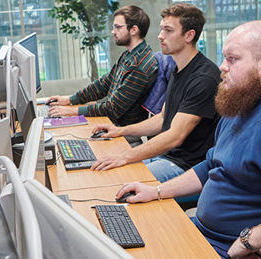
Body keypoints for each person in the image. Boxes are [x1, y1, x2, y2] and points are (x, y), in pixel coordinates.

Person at [116, 21, 261, 258]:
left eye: (232, 59)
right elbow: (212, 165)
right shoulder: (245, 99)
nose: (222, 67)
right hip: (206, 234)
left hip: (235, 249)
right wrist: (157, 192)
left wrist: (248, 240)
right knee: (123, 236)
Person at [90, 3, 221, 186]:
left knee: (118, 181)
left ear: (189, 35)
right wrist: (121, 130)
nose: (160, 36)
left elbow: (176, 135)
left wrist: (125, 156)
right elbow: (161, 119)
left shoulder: (204, 78)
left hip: (188, 167)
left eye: (168, 30)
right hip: (167, 156)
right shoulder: (178, 69)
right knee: (107, 169)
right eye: (161, 29)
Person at [46, 5, 158, 127]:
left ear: (134, 30)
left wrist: (72, 111)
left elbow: (113, 109)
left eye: (118, 27)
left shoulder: (139, 66)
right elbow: (104, 84)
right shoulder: (130, 54)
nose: (113, 31)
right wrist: (70, 100)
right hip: (110, 123)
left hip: (121, 131)